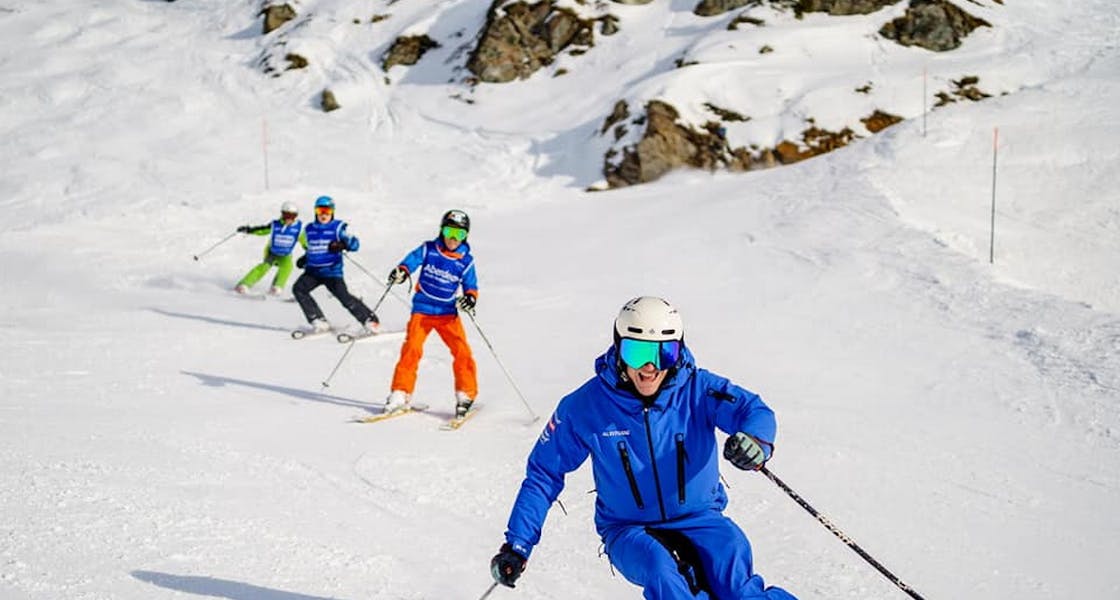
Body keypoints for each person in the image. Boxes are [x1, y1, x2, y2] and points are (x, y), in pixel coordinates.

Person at [489, 297, 797, 599]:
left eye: (664, 353)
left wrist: (755, 441)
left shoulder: (698, 389)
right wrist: (517, 544)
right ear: (619, 349)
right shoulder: (586, 407)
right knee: (662, 572)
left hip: (702, 517)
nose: (650, 367)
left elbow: (753, 411)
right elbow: (544, 473)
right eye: (636, 352)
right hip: (628, 529)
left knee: (735, 580)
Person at [382, 209, 479, 417]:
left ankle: (466, 394)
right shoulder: (429, 249)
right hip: (422, 311)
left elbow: (471, 286)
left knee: (462, 351)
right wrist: (402, 271)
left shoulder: (466, 261)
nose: (453, 238)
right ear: (442, 231)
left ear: (465, 236)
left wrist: (470, 298)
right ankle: (400, 392)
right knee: (412, 349)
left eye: (459, 234)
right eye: (449, 231)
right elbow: (411, 261)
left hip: (447, 314)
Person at [290, 195, 379, 334]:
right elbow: (314, 248)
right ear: (315, 212)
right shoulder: (309, 229)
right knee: (299, 289)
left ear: (332, 212)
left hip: (331, 272)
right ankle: (318, 320)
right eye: (320, 211)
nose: (324, 215)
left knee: (344, 298)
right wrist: (305, 259)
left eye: (327, 211)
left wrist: (342, 244)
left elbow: (355, 244)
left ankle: (370, 320)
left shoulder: (337, 228)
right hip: (313, 271)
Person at [234, 201, 303, 296]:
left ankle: (277, 287)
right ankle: (244, 285)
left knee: (287, 267)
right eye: (286, 215)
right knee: (264, 267)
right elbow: (262, 230)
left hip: (285, 255)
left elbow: (305, 240)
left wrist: (309, 250)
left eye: (292, 216)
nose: (288, 219)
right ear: (282, 214)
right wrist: (249, 230)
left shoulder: (298, 228)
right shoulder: (275, 225)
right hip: (272, 252)